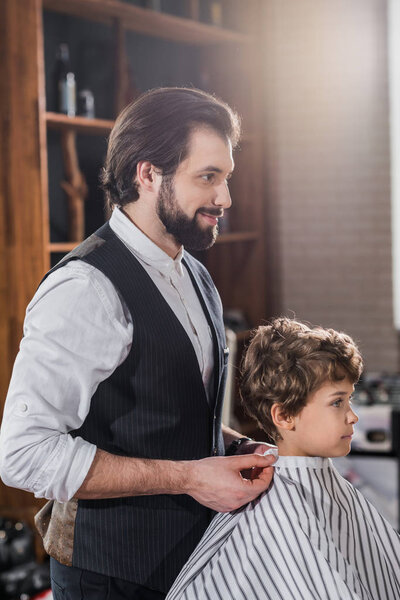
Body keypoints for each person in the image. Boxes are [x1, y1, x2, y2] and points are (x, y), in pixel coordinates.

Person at [0, 87, 275, 600]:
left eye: (227, 178)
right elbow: (24, 453)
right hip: (111, 577)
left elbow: (163, 409)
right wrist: (192, 477)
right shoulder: (85, 289)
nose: (226, 199)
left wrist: (232, 446)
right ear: (148, 175)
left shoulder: (194, 272)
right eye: (208, 178)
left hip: (192, 565)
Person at [166, 317, 400, 600]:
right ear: (285, 416)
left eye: (349, 400)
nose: (353, 416)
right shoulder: (278, 510)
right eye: (337, 402)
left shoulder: (327, 486)